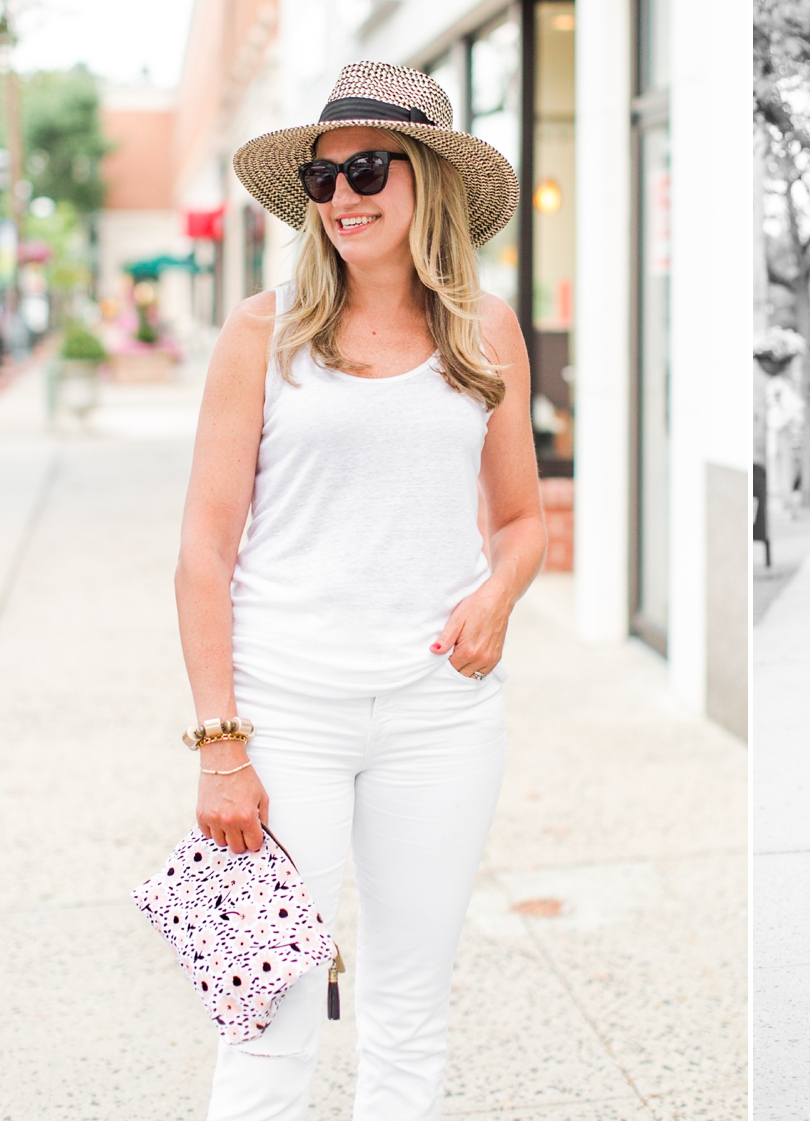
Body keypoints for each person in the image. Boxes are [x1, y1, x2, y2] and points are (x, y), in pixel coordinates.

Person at [175, 62, 545, 1119]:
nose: (341, 197)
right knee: (268, 1019)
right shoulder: (264, 330)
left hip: (443, 715)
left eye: (367, 169)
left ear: (427, 179)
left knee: (407, 1015)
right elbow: (202, 552)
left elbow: (522, 520)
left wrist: (499, 593)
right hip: (284, 711)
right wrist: (221, 746)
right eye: (322, 178)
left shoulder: (488, 331)